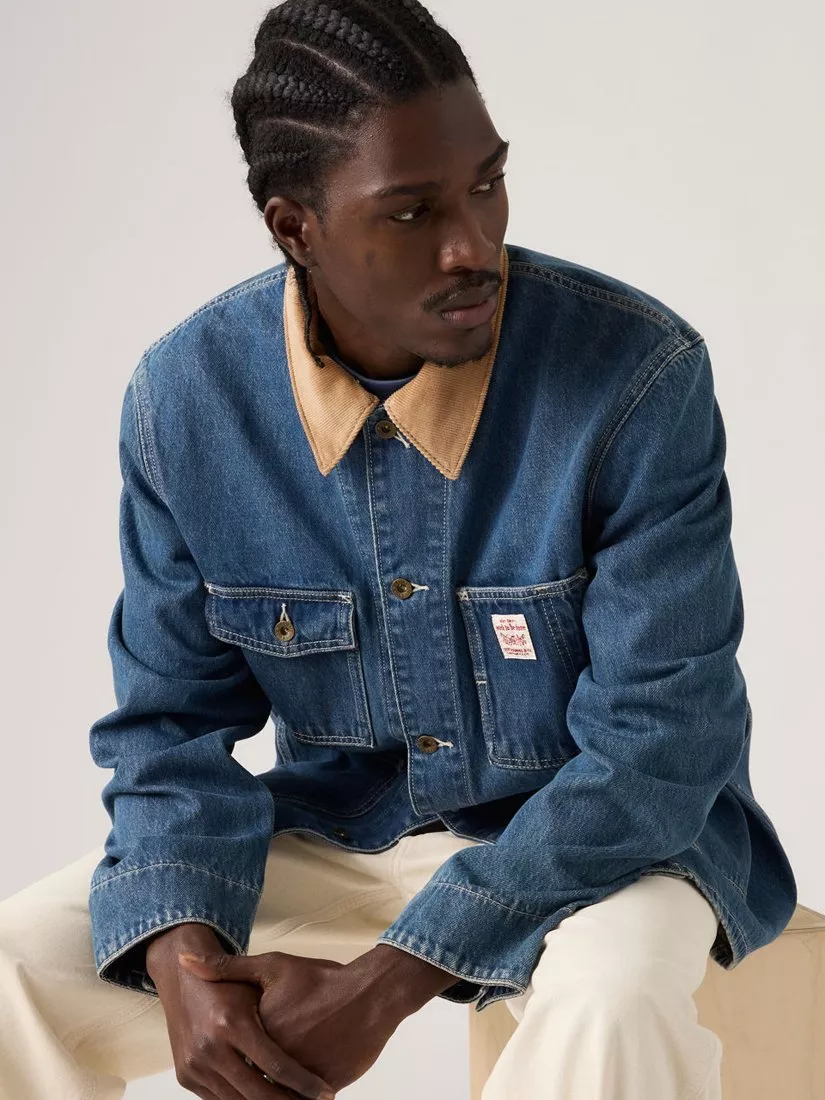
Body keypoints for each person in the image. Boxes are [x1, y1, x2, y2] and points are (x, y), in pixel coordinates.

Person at [0, 1, 798, 1098]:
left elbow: (662, 745)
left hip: (613, 848)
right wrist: (181, 954)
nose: (474, 243)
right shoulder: (185, 403)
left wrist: (385, 983)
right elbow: (170, 729)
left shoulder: (635, 379)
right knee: (14, 972)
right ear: (295, 228)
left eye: (486, 183)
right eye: (412, 211)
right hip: (345, 833)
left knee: (610, 999)